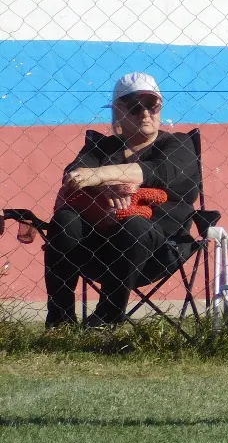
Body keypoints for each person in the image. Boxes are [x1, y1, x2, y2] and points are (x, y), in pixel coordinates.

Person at [43, 73, 200, 329]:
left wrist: (98, 175)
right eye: (135, 107)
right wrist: (106, 186)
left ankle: (105, 319)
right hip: (97, 247)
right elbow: (73, 176)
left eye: (152, 106)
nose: (145, 114)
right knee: (64, 220)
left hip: (159, 248)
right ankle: (60, 321)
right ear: (118, 111)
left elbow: (156, 172)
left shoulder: (178, 144)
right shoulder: (102, 148)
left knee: (134, 224)